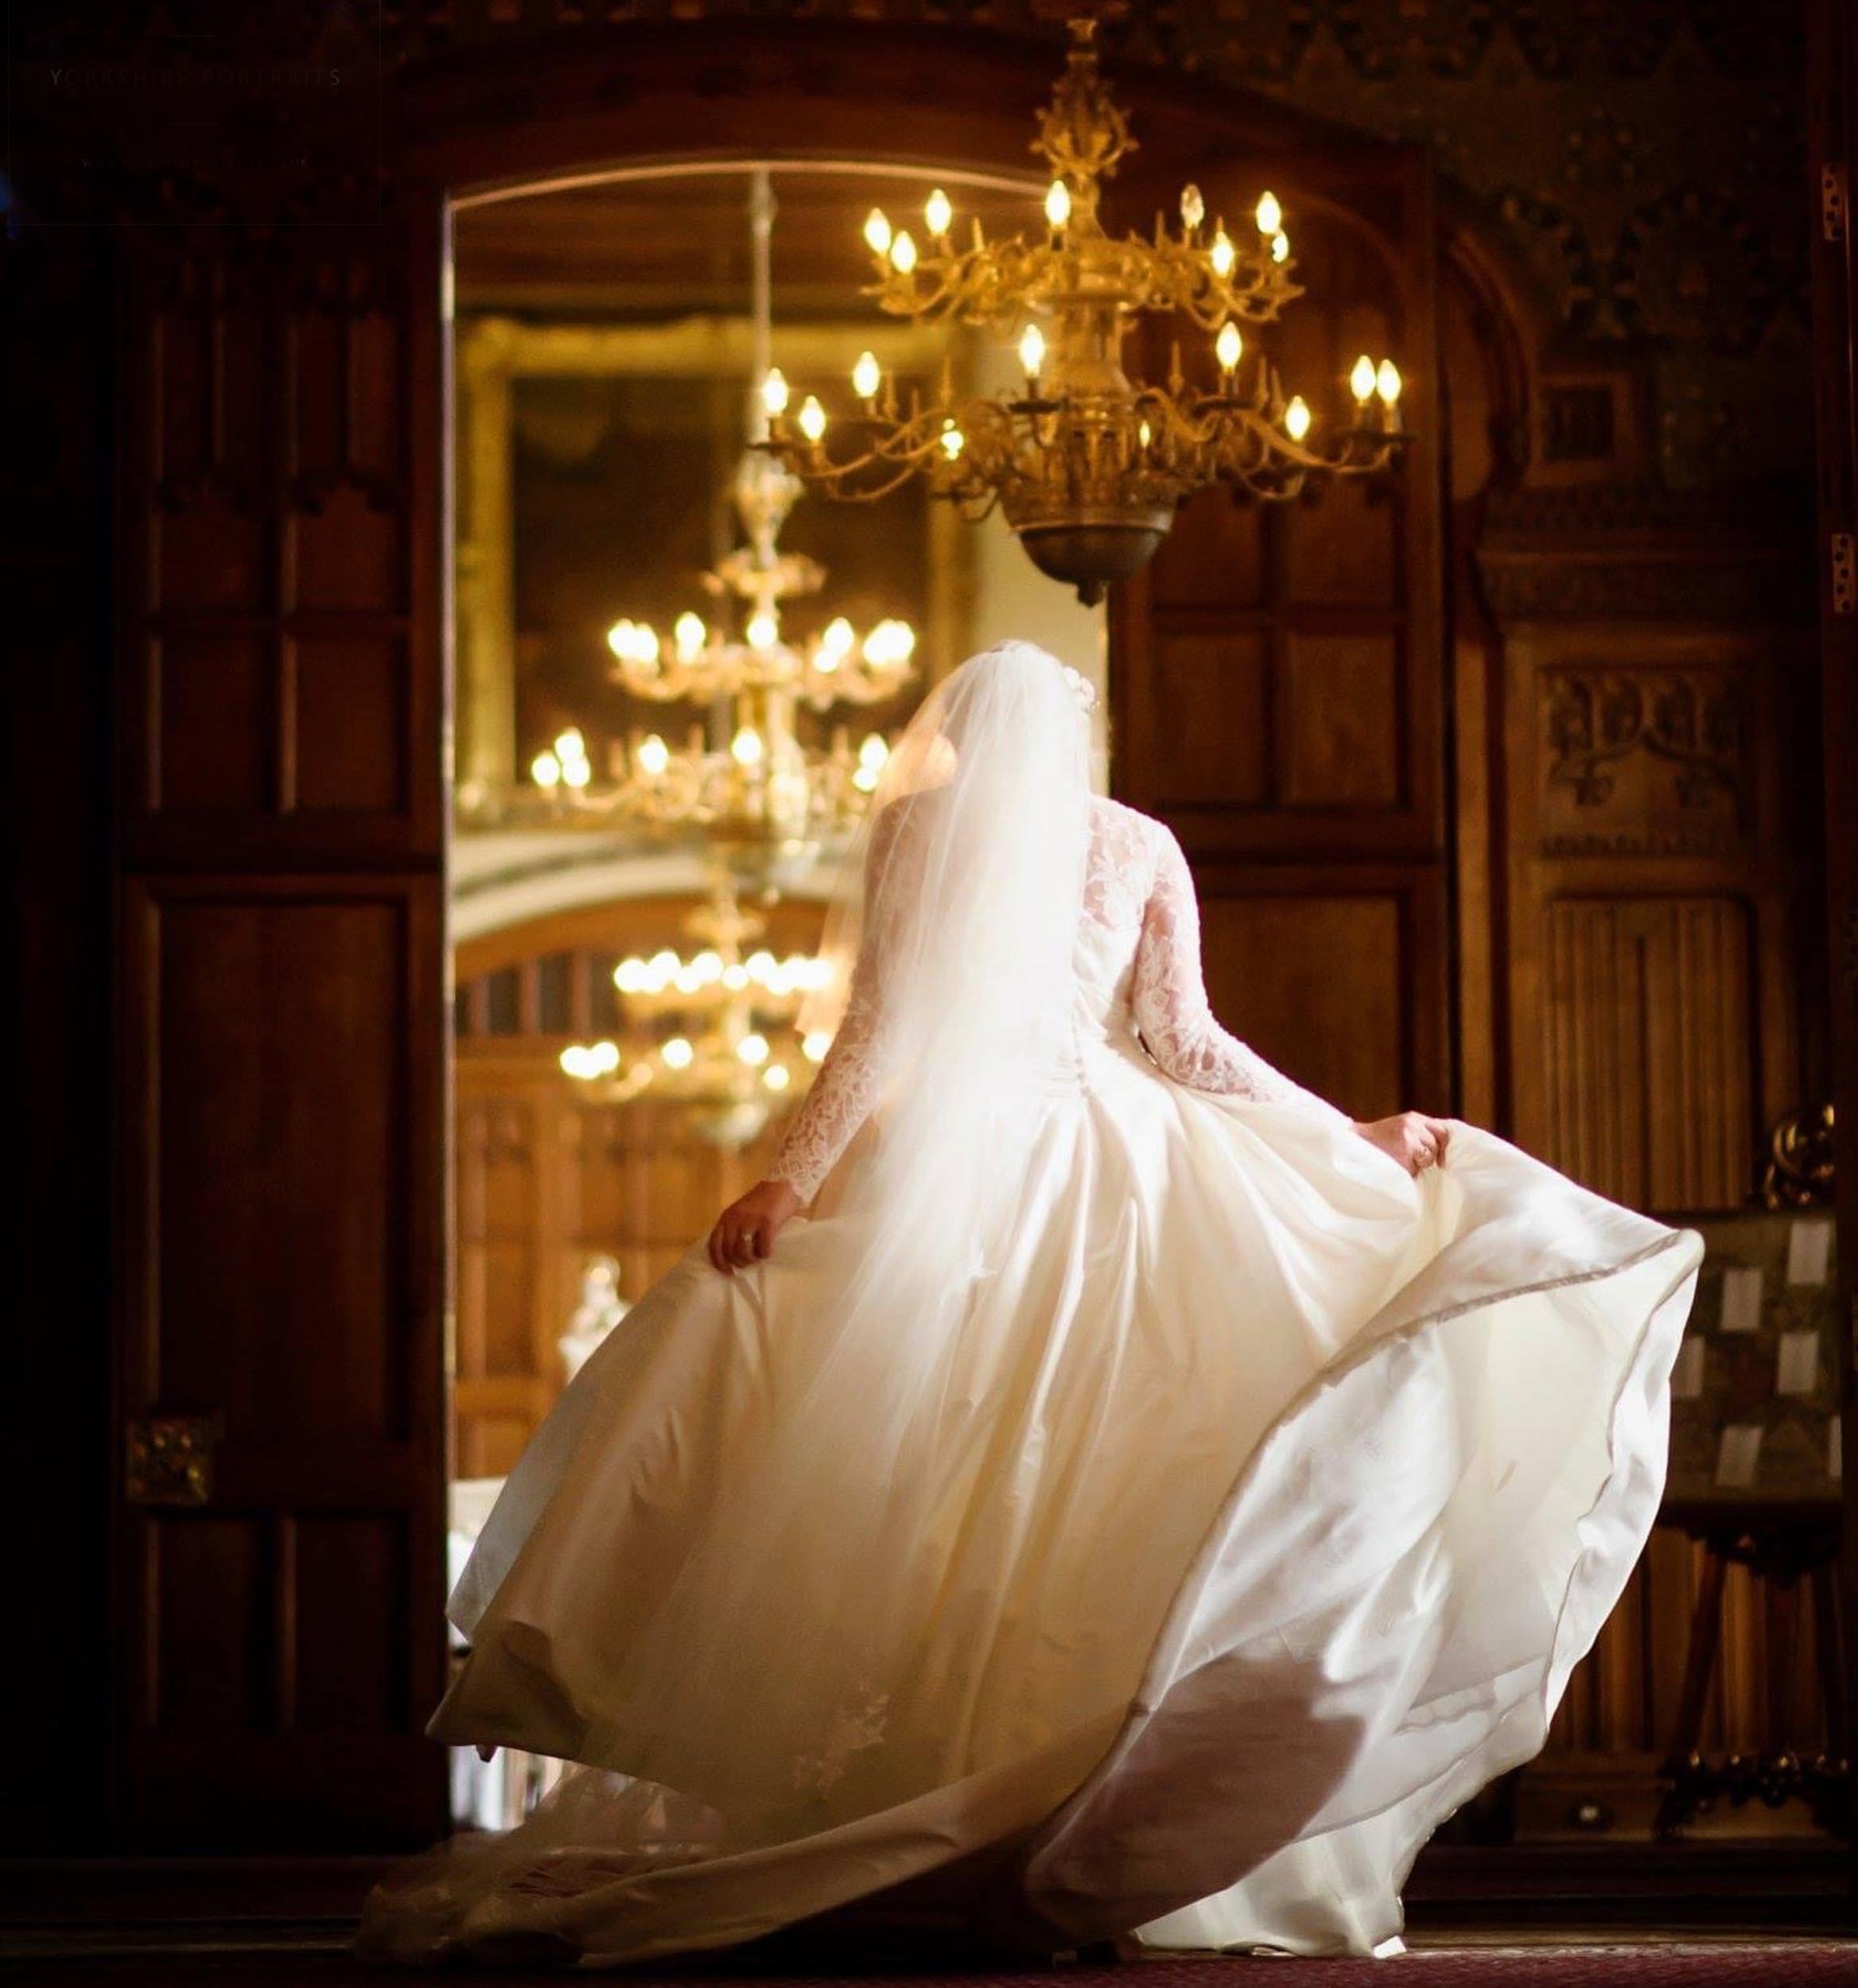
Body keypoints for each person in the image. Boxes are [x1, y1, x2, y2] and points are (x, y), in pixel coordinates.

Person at [358, 639, 1701, 1967]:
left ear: (959, 740)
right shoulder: (1139, 844)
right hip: (1120, 1161)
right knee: (1093, 1464)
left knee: (953, 1466)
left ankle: (977, 1788)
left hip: (962, 1163)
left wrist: (791, 1182)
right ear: (1078, 736)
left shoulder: (918, 834)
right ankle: (1052, 1803)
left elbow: (876, 1032)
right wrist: (1345, 1137)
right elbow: (1187, 1046)